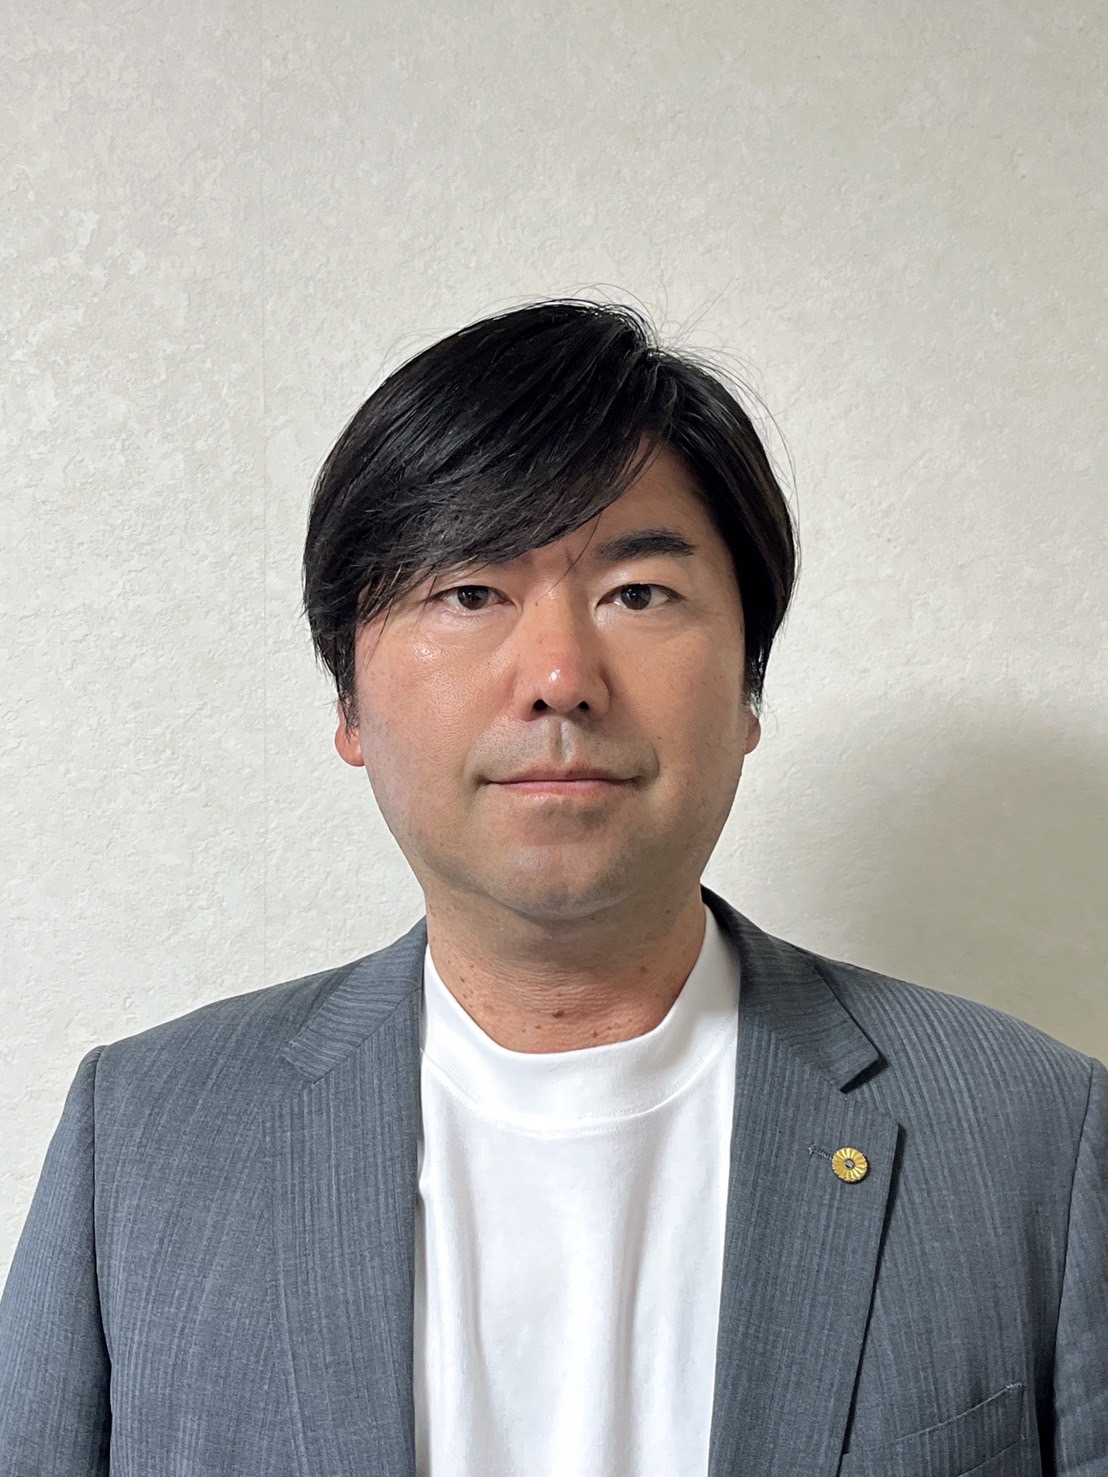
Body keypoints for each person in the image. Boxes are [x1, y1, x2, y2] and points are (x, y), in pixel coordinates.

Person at [0, 300, 1103, 1477]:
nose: (561, 676)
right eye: (470, 592)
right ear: (349, 706)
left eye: (639, 592)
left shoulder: (1034, 1136)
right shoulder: (146, 1138)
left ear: (747, 691)